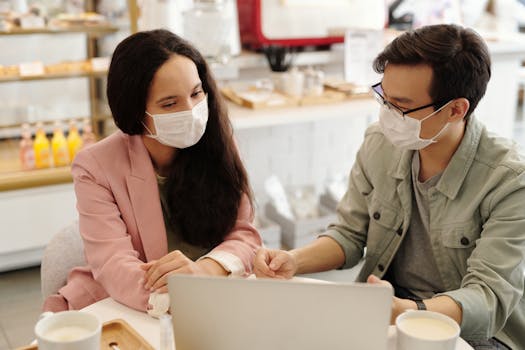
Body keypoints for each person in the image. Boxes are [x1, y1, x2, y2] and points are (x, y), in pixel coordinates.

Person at [254, 24, 524, 349]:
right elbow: (349, 234)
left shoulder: (509, 180)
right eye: (384, 97)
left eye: (401, 105)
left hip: (471, 332)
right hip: (389, 305)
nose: (387, 115)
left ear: (455, 109)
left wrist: (406, 312)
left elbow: (486, 298)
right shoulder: (380, 144)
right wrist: (294, 260)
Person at [43, 29, 262, 314]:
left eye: (196, 93)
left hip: (210, 296)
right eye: (170, 104)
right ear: (136, 111)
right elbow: (114, 264)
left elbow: (244, 235)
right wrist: (177, 298)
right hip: (130, 303)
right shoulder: (95, 166)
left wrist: (203, 273)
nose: (191, 110)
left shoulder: (219, 142)